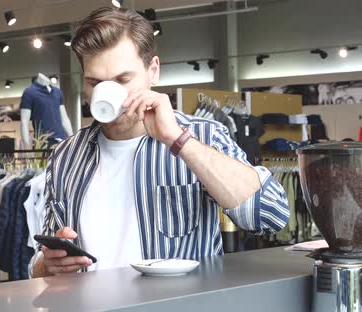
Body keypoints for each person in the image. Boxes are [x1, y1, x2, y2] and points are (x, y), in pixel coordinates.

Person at [29, 7, 289, 278]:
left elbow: (271, 216)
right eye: (95, 83)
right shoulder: (66, 155)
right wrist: (46, 265)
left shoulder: (203, 136)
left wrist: (179, 140)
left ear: (153, 71)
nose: (107, 94)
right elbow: (41, 260)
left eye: (123, 80)